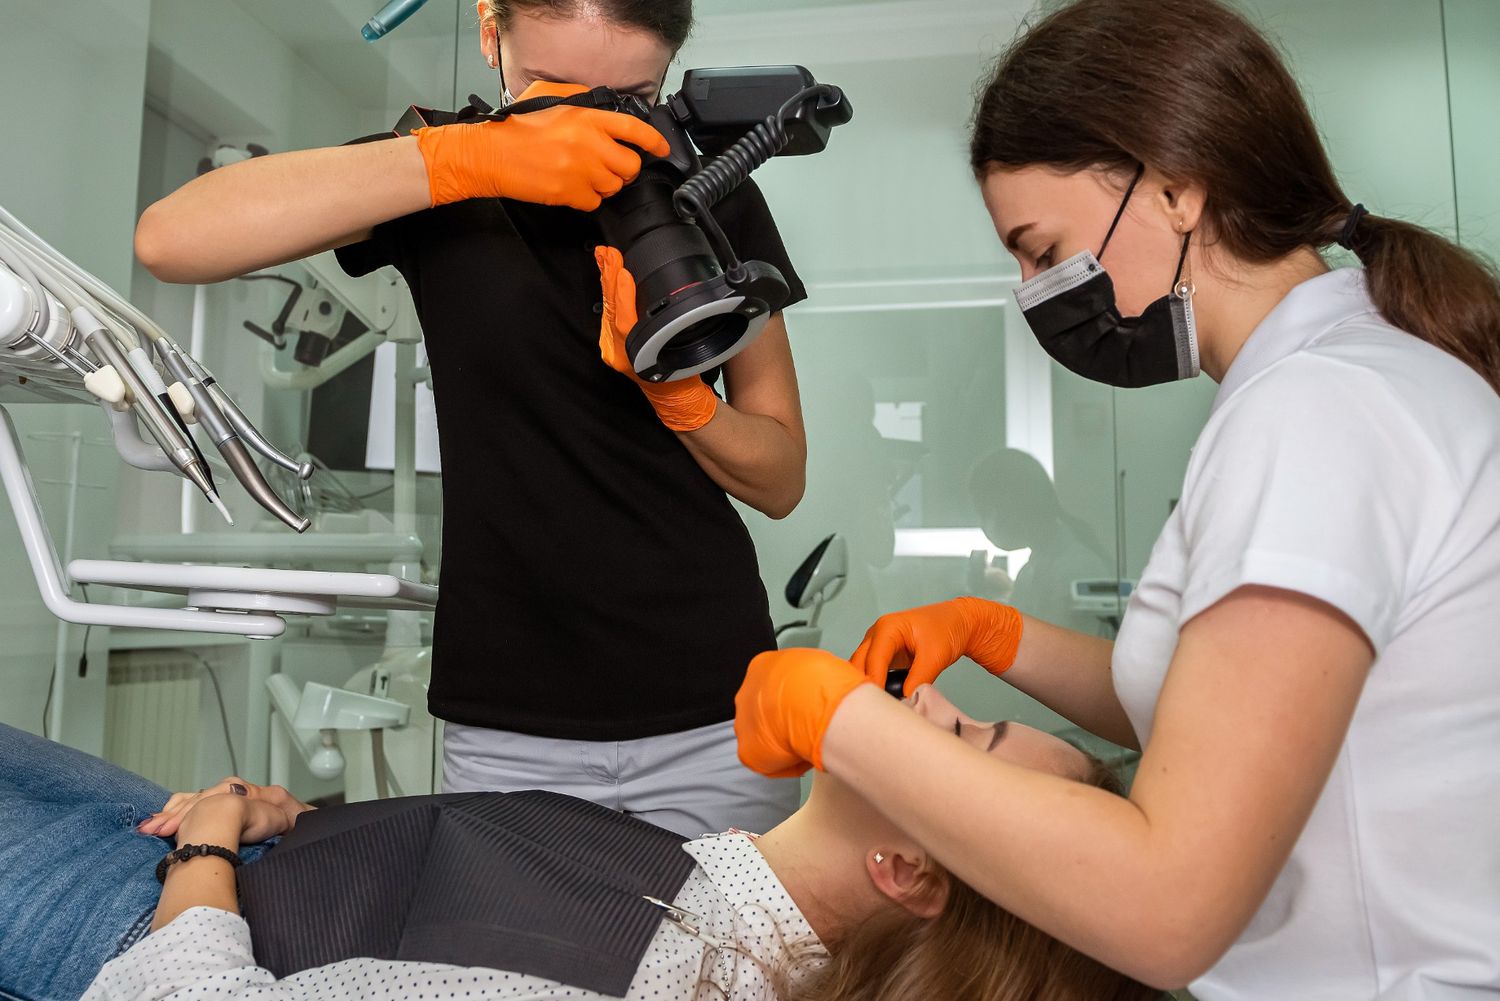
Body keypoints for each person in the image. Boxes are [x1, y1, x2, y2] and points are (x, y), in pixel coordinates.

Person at [731, 0, 1500, 997]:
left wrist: (842, 724)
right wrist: (993, 631)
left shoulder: (1319, 413)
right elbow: (1228, 717)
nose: (1033, 291)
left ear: (1175, 188)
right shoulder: (1320, 381)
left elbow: (1169, 905)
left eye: (1043, 251)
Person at [134, 0, 809, 837]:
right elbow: (171, 238)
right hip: (510, 721)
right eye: (553, 89)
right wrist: (472, 157)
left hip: (716, 707)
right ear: (491, 33)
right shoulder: (440, 176)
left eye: (631, 96)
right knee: (501, 966)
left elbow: (781, 478)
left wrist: (681, 399)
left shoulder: (712, 193)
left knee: (736, 966)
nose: (592, 122)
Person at [0, 720, 1157, 1001]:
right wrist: (295, 824)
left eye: (962, 741)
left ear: (908, 870)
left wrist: (203, 843)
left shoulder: (651, 974)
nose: (928, 703)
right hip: (202, 850)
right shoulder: (716, 902)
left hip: (114, 927)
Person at [967, 448, 1114, 635]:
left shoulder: (1077, 570)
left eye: (984, 513)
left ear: (1010, 506)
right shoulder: (1033, 570)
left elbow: (1053, 653)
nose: (983, 524)